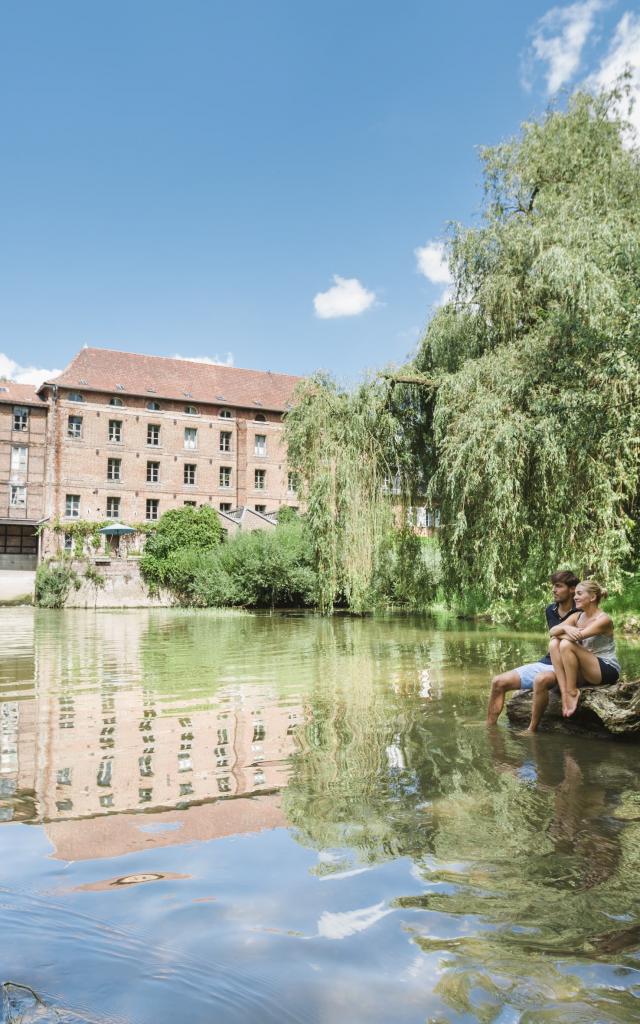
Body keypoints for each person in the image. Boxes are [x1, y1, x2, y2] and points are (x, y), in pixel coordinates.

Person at [486, 570, 579, 725]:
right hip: (549, 661)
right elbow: (555, 636)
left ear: (572, 589)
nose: (553, 590)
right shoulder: (551, 610)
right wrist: (563, 632)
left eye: (558, 586)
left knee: (540, 679)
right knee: (498, 682)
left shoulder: (582, 610)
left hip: (570, 666)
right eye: (553, 586)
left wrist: (561, 633)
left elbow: (575, 640)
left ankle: (531, 731)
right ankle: (489, 729)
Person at [547, 579, 620, 718]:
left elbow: (575, 637)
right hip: (587, 668)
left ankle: (572, 691)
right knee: (553, 643)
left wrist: (562, 633)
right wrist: (565, 627)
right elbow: (552, 632)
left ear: (592, 597)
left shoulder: (604, 620)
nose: (575, 597)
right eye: (575, 594)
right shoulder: (577, 616)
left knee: (564, 643)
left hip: (606, 669)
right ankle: (565, 693)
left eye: (579, 594)